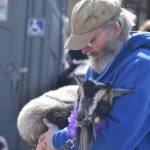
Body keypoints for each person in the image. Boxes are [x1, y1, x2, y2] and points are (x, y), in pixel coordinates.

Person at [36, 0, 150, 149]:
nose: (83, 50)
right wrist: (53, 139)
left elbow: (111, 143)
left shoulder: (141, 66)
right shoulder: (99, 61)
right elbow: (79, 124)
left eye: (90, 40)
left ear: (115, 29)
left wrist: (55, 141)